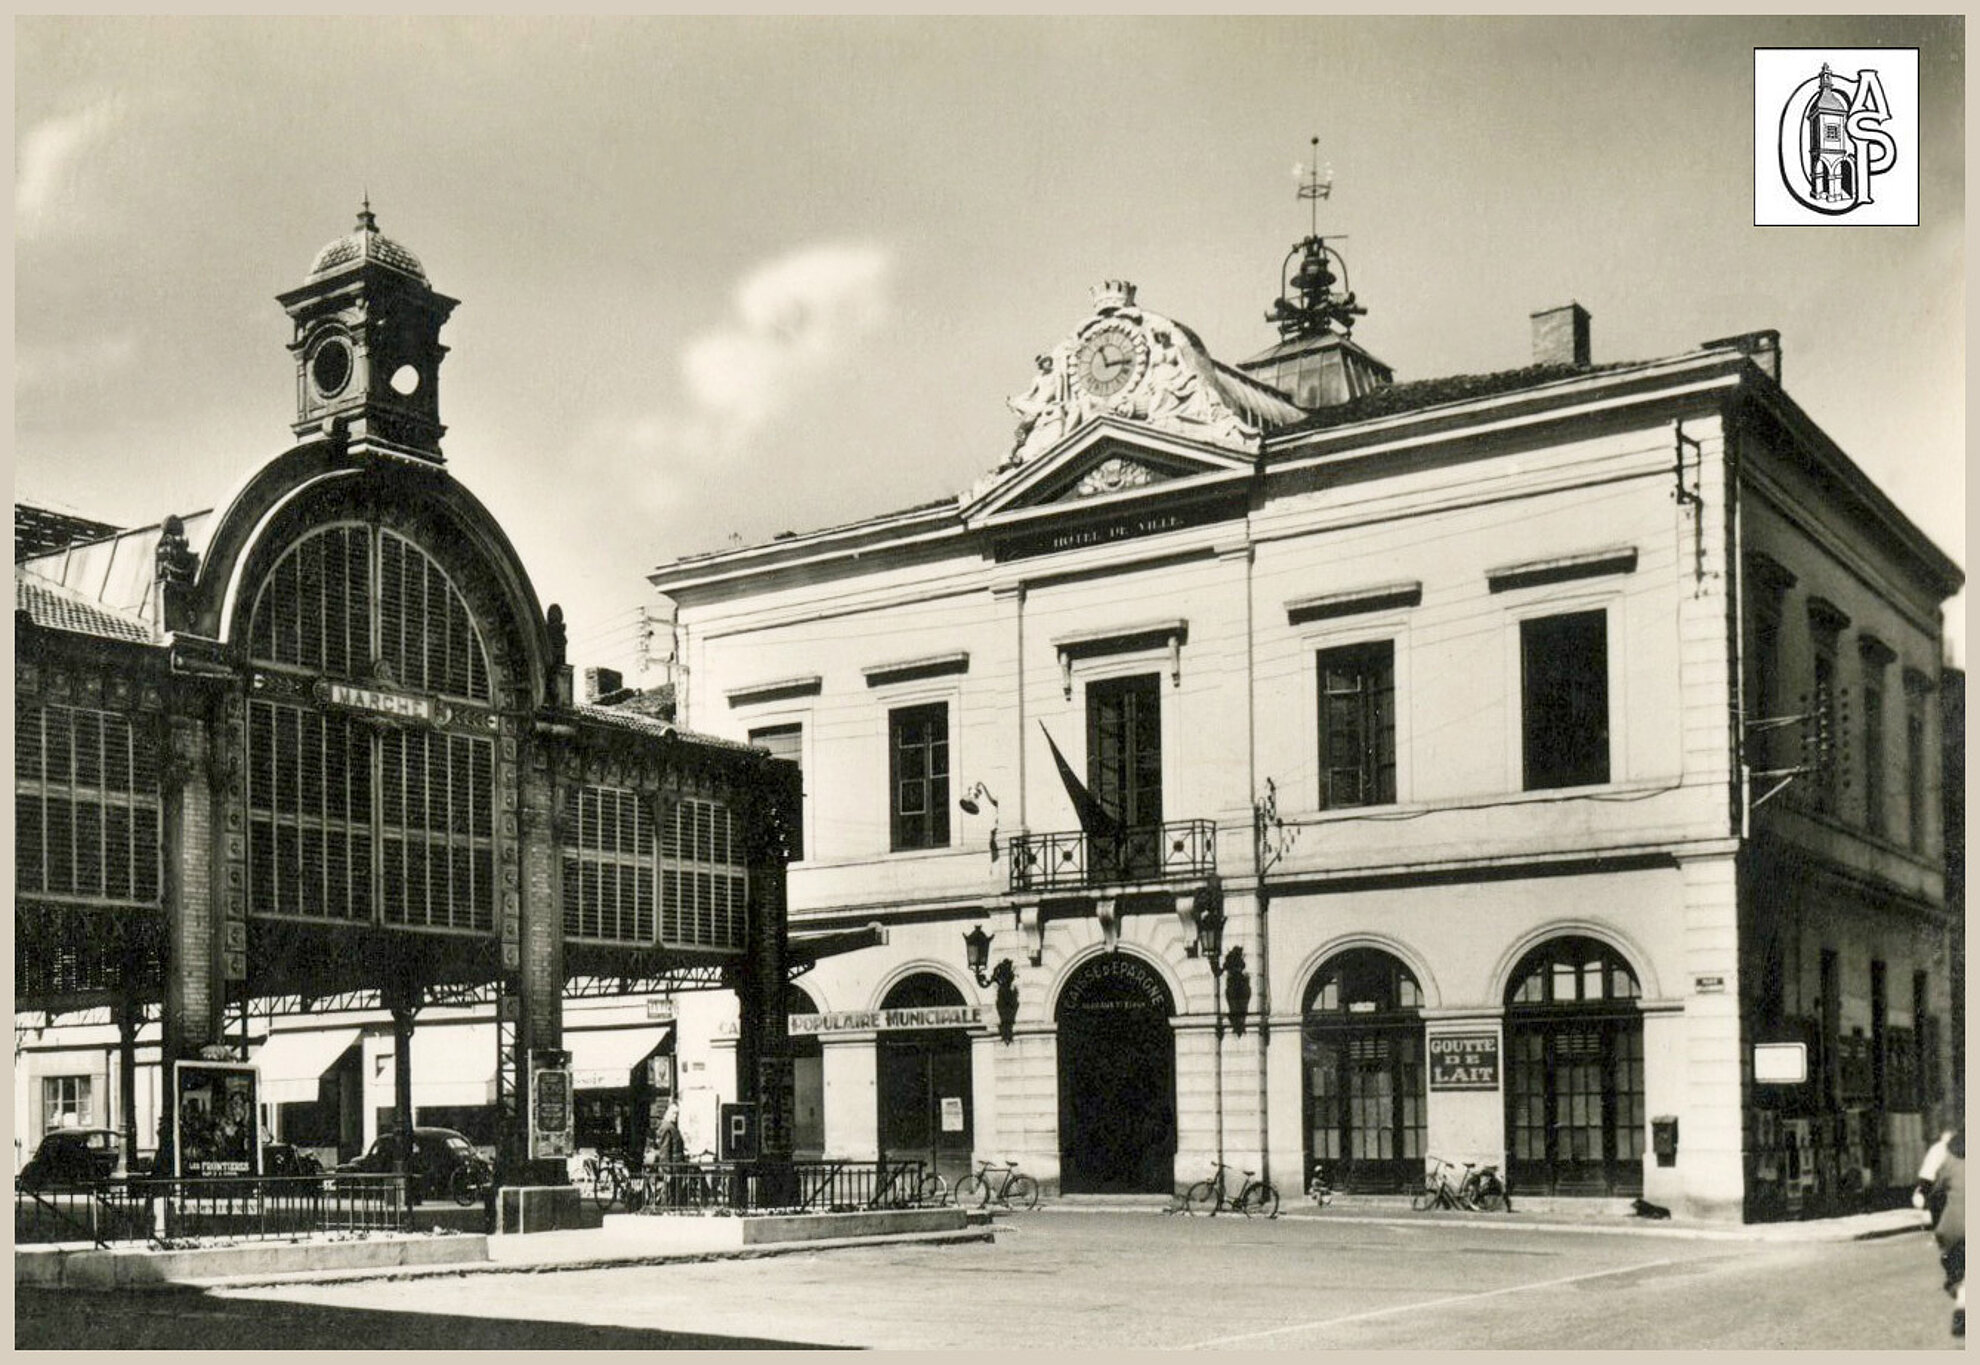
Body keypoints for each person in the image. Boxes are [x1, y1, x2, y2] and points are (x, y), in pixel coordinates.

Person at [1915, 1125, 1964, 1338]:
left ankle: (1963, 1301)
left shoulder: (1948, 1159)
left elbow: (1930, 1189)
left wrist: (1922, 1200)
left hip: (1951, 1226)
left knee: (1959, 1268)